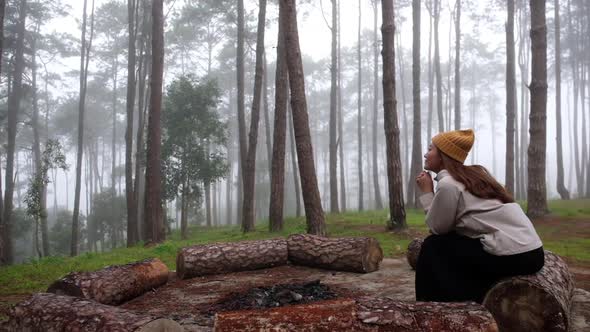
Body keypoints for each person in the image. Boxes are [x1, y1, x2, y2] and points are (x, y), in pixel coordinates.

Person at [414, 129, 544, 303]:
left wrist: (426, 192)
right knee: (450, 243)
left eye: (430, 149)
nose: (425, 154)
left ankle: (429, 305)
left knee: (433, 246)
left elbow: (436, 228)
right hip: (533, 252)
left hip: (516, 256)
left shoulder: (449, 184)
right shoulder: (471, 177)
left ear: (443, 156)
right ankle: (468, 296)